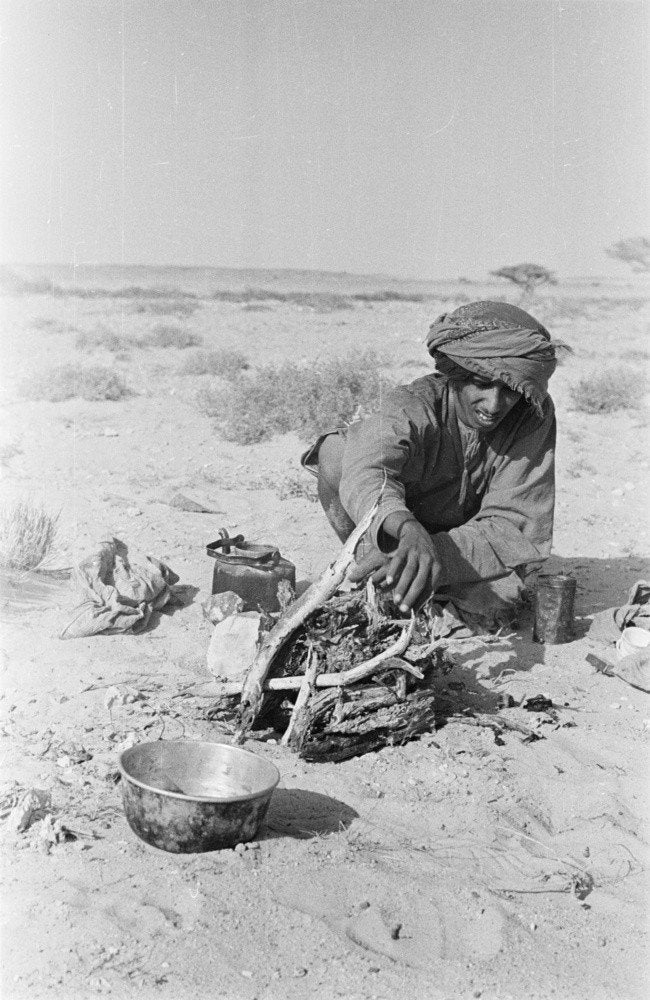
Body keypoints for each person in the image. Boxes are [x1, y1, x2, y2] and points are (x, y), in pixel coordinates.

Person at [301, 300, 558, 628]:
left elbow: (515, 524)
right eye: (481, 383)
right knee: (336, 452)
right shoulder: (411, 405)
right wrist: (406, 529)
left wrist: (438, 551)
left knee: (499, 605)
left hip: (465, 539)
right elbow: (367, 472)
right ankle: (374, 563)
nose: (494, 405)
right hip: (396, 530)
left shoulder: (531, 415)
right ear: (455, 375)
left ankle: (407, 572)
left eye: (510, 390)